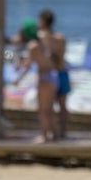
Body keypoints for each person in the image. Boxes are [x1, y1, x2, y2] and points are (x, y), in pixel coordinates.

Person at [13, 18, 55, 142]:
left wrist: (18, 80)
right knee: (49, 109)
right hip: (53, 76)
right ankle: (53, 135)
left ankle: (44, 136)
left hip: (44, 77)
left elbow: (28, 66)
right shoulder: (42, 41)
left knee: (42, 110)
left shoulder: (32, 46)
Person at [38, 8, 70, 140]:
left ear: (43, 21)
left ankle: (50, 133)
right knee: (62, 106)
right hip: (63, 72)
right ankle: (62, 132)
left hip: (52, 73)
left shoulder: (43, 36)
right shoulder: (61, 38)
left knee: (48, 107)